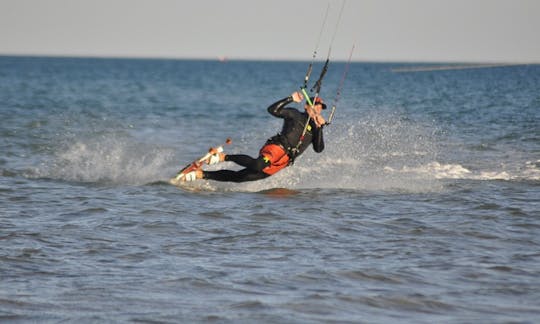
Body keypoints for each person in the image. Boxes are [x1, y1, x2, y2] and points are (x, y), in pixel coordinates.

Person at [184, 91, 326, 182]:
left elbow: (319, 149)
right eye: (316, 105)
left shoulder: (315, 129)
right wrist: (290, 98)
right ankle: (222, 157)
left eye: (321, 108)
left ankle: (201, 174)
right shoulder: (295, 114)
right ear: (307, 106)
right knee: (258, 164)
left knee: (240, 177)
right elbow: (272, 110)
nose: (318, 109)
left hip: (283, 161)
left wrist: (320, 129)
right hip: (276, 149)